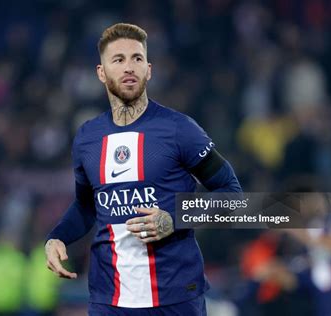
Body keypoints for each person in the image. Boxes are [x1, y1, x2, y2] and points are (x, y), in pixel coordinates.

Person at [45, 23, 242, 315]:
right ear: (101, 73)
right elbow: (87, 205)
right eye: (119, 59)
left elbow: (232, 195)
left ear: (149, 70)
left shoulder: (180, 130)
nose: (129, 67)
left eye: (137, 58)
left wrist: (174, 217)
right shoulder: (87, 137)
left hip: (175, 296)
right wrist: (57, 236)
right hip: (109, 299)